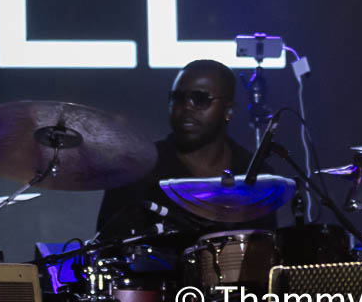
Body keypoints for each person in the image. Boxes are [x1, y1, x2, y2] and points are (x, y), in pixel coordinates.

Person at [95, 59, 274, 240]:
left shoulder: (257, 174)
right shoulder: (135, 170)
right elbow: (107, 247)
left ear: (229, 110)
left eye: (200, 99)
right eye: (178, 98)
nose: (187, 107)